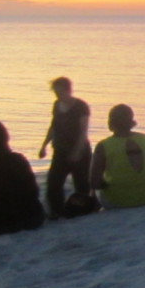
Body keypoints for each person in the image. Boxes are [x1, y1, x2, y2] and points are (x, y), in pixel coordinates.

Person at [91, 104, 145, 209]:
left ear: (111, 123)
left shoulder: (104, 146)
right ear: (131, 122)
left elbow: (95, 182)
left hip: (118, 201)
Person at [39, 77, 92, 219]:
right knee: (53, 184)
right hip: (60, 151)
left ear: (68, 90)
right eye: (56, 93)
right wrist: (44, 145)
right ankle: (56, 211)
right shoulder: (57, 105)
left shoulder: (81, 106)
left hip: (80, 152)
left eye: (60, 92)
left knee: (81, 185)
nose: (58, 96)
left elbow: (83, 132)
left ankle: (81, 211)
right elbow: (53, 126)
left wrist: (77, 151)